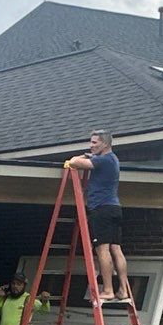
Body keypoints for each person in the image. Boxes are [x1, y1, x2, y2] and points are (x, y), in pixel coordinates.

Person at [67, 129, 127, 301]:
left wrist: (82, 157)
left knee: (102, 249)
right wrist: (91, 155)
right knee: (116, 249)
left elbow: (74, 162)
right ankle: (123, 289)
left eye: (94, 142)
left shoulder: (103, 160)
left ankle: (108, 290)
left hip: (101, 209)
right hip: (114, 207)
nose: (91, 145)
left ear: (105, 143)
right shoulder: (113, 159)